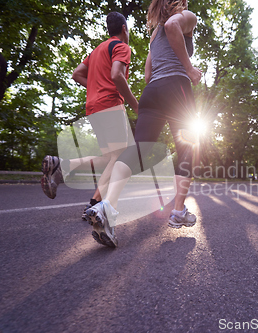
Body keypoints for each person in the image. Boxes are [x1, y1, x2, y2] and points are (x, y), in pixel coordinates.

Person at [86, 0, 202, 248]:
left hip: (152, 92)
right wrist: (190, 69)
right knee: (188, 146)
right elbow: (173, 25)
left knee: (138, 150)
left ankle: (107, 207)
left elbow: (148, 74)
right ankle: (178, 211)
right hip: (176, 87)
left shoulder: (153, 35)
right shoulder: (186, 17)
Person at [41, 12, 138, 220]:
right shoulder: (121, 46)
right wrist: (135, 105)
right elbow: (116, 75)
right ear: (124, 29)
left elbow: (77, 74)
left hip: (93, 107)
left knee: (109, 158)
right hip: (110, 104)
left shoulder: (96, 51)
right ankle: (99, 205)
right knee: (123, 157)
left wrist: (95, 88)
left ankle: (87, 196)